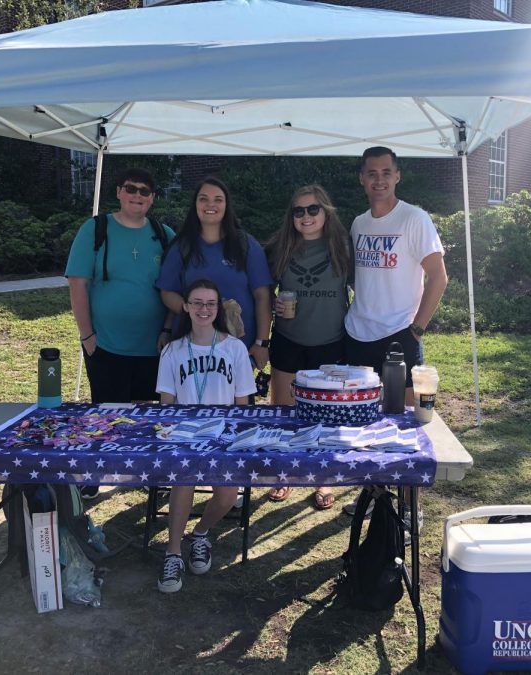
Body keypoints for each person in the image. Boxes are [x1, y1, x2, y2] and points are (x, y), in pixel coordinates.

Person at [343, 146, 448, 524]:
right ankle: (372, 494)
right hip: (358, 334)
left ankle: (410, 507)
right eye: (371, 173)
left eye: (386, 172)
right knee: (365, 423)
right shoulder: (358, 223)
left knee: (405, 425)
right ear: (362, 179)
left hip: (399, 336)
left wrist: (417, 329)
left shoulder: (414, 219)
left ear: (398, 176)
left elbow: (439, 277)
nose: (379, 179)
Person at [65, 168, 175, 498]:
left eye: (145, 190)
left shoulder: (164, 233)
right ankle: (95, 472)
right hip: (106, 342)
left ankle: (144, 471)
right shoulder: (95, 229)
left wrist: (168, 328)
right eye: (131, 188)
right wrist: (87, 335)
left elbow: (175, 286)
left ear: (153, 198)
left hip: (152, 344)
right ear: (119, 191)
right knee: (105, 412)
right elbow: (78, 283)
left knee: (146, 413)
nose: (137, 195)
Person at [155, 278, 257, 593]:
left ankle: (200, 533)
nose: (203, 309)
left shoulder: (235, 348)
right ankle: (173, 552)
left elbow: (243, 404)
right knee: (183, 481)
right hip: (186, 434)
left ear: (218, 307)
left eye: (210, 303)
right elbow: (166, 406)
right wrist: (172, 436)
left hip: (223, 434)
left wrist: (237, 439)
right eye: (197, 302)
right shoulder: (173, 351)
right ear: (185, 306)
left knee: (228, 495)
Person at [264, 184, 353, 510]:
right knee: (284, 412)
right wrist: (273, 303)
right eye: (298, 211)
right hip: (289, 340)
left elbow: (368, 287)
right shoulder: (279, 247)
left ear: (325, 211)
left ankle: (323, 478)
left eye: (312, 209)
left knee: (326, 416)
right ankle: (284, 473)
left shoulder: (343, 247)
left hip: (330, 342)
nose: (305, 216)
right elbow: (261, 293)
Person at [156, 177, 273, 372]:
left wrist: (262, 343)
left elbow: (263, 296)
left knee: (238, 401)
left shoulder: (246, 245)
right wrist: (198, 312)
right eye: (203, 199)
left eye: (218, 199)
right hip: (190, 347)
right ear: (195, 205)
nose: (211, 204)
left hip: (239, 348)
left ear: (227, 205)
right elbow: (167, 292)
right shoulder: (181, 247)